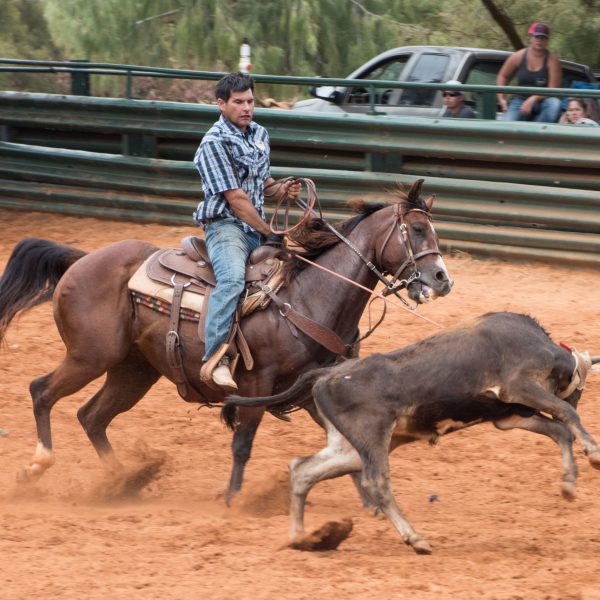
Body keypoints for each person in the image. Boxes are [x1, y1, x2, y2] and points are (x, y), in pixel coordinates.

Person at [193, 72, 301, 392]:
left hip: (255, 227)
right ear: (221, 105)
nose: (246, 108)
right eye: (238, 102)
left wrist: (283, 190)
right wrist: (268, 230)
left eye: (250, 101)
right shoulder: (213, 143)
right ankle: (215, 357)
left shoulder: (259, 134)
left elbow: (262, 185)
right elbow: (236, 199)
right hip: (226, 227)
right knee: (232, 280)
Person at [497, 22, 562, 122]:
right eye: (537, 37)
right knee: (507, 125)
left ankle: (539, 133)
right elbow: (503, 76)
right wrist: (501, 99)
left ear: (547, 41)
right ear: (531, 37)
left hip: (543, 101)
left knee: (554, 103)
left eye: (543, 38)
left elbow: (553, 89)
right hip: (520, 100)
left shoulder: (552, 60)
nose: (539, 40)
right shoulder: (518, 56)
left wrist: (533, 98)